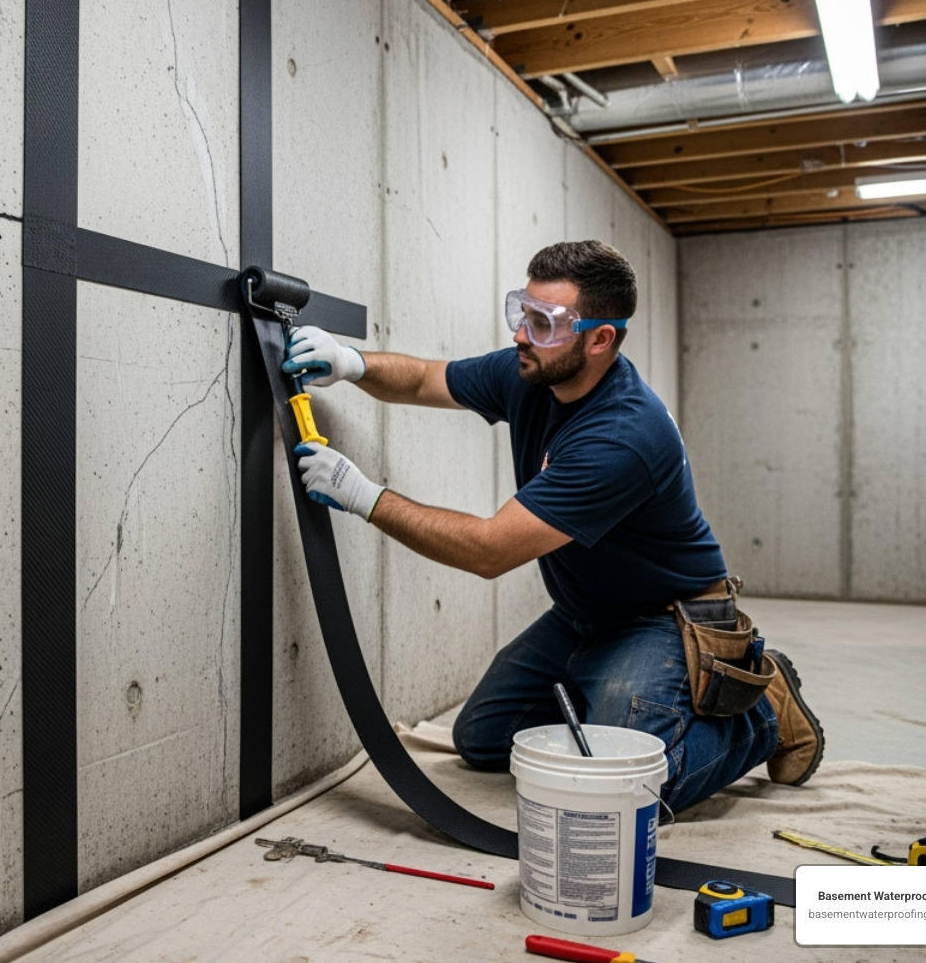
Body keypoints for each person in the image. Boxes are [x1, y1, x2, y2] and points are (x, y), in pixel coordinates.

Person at [282, 239, 822, 811]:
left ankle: (760, 714)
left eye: (544, 322)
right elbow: (423, 380)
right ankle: (613, 705)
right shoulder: (533, 372)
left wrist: (362, 495)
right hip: (585, 614)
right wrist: (351, 363)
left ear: (599, 339)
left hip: (665, 619)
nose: (521, 333)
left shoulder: (621, 436)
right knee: (483, 739)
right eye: (522, 311)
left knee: (626, 786)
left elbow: (490, 551)